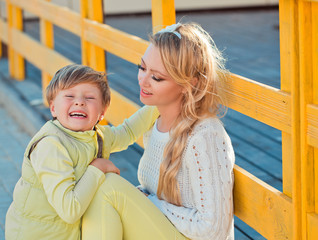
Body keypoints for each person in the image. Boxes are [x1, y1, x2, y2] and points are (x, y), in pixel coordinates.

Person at [82, 22, 235, 240]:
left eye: (156, 77)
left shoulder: (205, 136)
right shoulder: (155, 122)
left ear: (188, 84)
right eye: (142, 68)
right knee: (100, 188)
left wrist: (150, 202)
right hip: (164, 231)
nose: (142, 81)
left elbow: (213, 230)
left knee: (109, 189)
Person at [5, 64, 158, 240]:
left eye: (90, 97)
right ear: (53, 108)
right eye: (69, 96)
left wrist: (160, 104)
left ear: (102, 112)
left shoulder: (96, 137)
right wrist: (97, 168)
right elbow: (69, 210)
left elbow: (128, 132)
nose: (79, 102)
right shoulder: (50, 146)